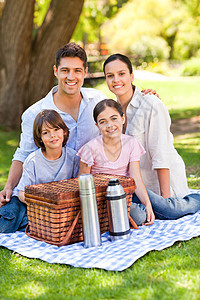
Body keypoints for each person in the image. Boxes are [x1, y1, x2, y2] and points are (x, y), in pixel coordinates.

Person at [0, 43, 157, 206]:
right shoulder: (35, 114)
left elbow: (117, 114)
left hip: (95, 191)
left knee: (156, 206)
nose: (71, 77)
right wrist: (9, 186)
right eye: (65, 70)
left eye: (77, 71)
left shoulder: (97, 100)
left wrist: (144, 97)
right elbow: (22, 155)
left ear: (85, 72)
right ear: (56, 71)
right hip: (55, 196)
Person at [78, 99, 200, 225]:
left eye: (114, 118)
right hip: (108, 197)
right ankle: (152, 211)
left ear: (123, 119)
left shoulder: (131, 143)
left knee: (171, 210)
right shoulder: (90, 148)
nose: (110, 125)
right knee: (140, 216)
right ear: (97, 125)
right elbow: (82, 183)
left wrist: (147, 203)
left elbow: (135, 177)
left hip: (131, 191)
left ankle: (195, 200)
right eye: (103, 122)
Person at [103, 53, 189, 199]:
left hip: (164, 189)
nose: (116, 80)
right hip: (137, 192)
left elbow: (161, 154)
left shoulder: (151, 105)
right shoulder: (110, 111)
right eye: (110, 75)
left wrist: (165, 200)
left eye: (121, 74)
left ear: (131, 76)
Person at [0, 109, 80, 233]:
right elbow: (22, 194)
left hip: (54, 207)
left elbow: (76, 186)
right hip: (25, 202)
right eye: (46, 132)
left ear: (64, 131)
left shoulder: (73, 157)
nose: (52, 135)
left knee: (52, 225)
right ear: (40, 138)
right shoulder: (33, 161)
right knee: (8, 221)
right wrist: (42, 204)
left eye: (56, 129)